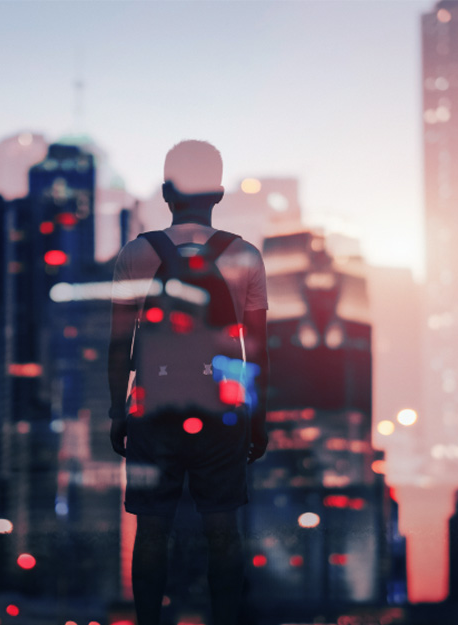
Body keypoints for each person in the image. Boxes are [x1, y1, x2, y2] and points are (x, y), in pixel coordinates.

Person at [108, 140, 269, 625]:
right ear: (218, 193)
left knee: (151, 528)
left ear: (165, 192)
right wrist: (256, 417)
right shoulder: (244, 256)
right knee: (222, 527)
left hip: (153, 408)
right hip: (220, 410)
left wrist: (119, 410)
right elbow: (256, 350)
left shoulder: (137, 254)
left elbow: (119, 343)